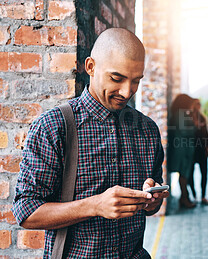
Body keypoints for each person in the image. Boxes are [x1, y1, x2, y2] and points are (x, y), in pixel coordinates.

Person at [12, 28, 169, 258]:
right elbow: (26, 212)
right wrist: (95, 205)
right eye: (117, 78)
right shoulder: (53, 127)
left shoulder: (147, 130)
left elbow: (151, 208)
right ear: (91, 67)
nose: (127, 92)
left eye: (136, 81)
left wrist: (150, 201)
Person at [167, 94, 197, 209]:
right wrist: (194, 125)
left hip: (181, 148)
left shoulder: (178, 114)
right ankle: (184, 198)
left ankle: (185, 197)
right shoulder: (181, 114)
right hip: (183, 150)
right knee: (184, 174)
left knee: (184, 174)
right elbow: (186, 131)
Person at [188, 99, 208, 205]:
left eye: (199, 104)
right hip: (192, 149)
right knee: (190, 174)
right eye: (196, 104)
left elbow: (206, 133)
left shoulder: (202, 117)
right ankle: (193, 195)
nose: (198, 106)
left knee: (204, 173)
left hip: (202, 149)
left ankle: (203, 196)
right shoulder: (187, 117)